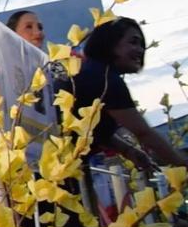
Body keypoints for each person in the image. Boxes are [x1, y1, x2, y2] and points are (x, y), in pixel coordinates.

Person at [64, 17, 187, 168]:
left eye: (142, 44)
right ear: (110, 43)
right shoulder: (106, 79)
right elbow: (143, 133)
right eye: (133, 42)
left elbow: (93, 129)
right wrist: (182, 163)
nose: (141, 50)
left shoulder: (91, 71)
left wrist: (127, 150)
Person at [0, 9, 49, 141]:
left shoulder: (52, 71)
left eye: (40, 27)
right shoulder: (2, 79)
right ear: (12, 36)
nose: (38, 32)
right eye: (29, 27)